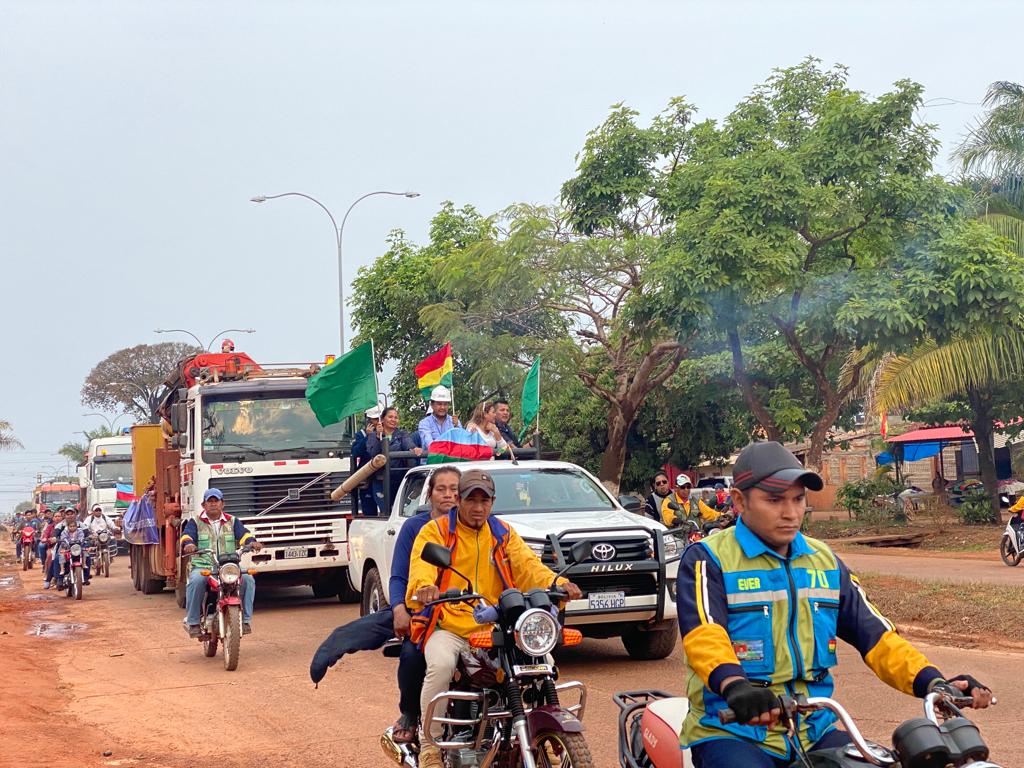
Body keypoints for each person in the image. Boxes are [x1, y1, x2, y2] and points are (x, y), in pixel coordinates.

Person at [677, 441, 993, 767]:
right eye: (774, 500)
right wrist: (735, 685)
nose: (791, 512)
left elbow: (876, 635)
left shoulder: (824, 561)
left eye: (798, 499)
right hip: (732, 730)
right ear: (740, 501)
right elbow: (705, 634)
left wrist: (934, 681)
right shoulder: (708, 558)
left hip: (813, 730)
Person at [406, 468, 583, 768]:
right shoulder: (436, 531)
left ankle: (545, 735)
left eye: (484, 501)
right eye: (471, 500)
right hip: (451, 623)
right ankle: (429, 745)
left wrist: (556, 584)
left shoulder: (502, 532)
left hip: (494, 624)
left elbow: (528, 565)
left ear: (493, 502)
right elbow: (421, 568)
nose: (478, 507)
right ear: (459, 500)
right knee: (441, 665)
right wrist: (425, 588)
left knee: (544, 664)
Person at [388, 466, 462, 744]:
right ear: (429, 494)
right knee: (411, 655)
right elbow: (400, 575)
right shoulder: (414, 528)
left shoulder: (477, 527)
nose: (448, 495)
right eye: (441, 489)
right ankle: (410, 713)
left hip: (469, 613)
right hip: (426, 613)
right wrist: (399, 609)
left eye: (454, 489)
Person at [180, 488, 263, 638]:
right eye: (209, 502)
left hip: (229, 566)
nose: (213, 504)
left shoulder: (233, 521)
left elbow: (244, 534)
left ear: (222, 503)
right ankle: (193, 622)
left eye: (216, 501)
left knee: (249, 579)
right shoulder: (195, 522)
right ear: (203, 505)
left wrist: (252, 542)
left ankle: (245, 621)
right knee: (196, 580)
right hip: (204, 565)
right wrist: (188, 544)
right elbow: (187, 535)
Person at [366, 407, 423, 516]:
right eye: (390, 417)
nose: (393, 420)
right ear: (382, 419)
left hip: (399, 481)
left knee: (399, 512)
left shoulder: (402, 434)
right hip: (380, 481)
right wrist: (378, 437)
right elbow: (372, 453)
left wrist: (414, 448)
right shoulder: (373, 435)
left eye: (396, 417)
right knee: (385, 512)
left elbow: (408, 444)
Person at [351, 406, 382, 515]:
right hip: (367, 477)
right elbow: (355, 452)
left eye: (379, 418)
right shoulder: (361, 435)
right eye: (374, 419)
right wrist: (367, 438)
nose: (377, 422)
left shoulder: (387, 433)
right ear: (368, 420)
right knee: (369, 511)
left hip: (383, 476)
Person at [416, 386, 459, 452]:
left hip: (451, 461)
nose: (442, 407)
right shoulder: (424, 423)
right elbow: (430, 445)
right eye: (439, 404)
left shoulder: (455, 422)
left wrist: (457, 427)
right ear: (432, 405)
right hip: (432, 461)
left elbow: (462, 444)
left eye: (445, 404)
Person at [56, 516, 90, 586]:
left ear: (76, 526)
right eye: (70, 526)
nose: (72, 527)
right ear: (68, 527)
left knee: (85, 551)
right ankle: (62, 570)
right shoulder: (64, 532)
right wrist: (65, 542)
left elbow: (82, 537)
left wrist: (82, 540)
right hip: (67, 548)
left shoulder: (80, 531)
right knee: (60, 555)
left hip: (77, 548)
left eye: (74, 526)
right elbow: (63, 539)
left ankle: (84, 565)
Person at [42, 509, 64, 589]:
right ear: (53, 518)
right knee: (50, 556)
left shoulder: (66, 525)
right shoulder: (50, 526)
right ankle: (48, 576)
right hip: (52, 546)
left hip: (66, 547)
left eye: (59, 516)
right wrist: (46, 539)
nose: (57, 518)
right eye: (56, 516)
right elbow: (46, 535)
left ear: (62, 517)